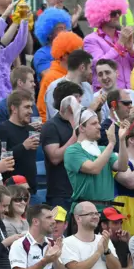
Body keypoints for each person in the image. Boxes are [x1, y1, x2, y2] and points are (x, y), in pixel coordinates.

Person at [64, 108, 129, 216]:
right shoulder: (72, 151)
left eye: (98, 123)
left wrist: (122, 140)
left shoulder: (103, 149)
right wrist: (111, 143)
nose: (99, 126)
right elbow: (94, 169)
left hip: (108, 211)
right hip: (85, 212)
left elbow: (122, 166)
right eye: (94, 123)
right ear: (82, 128)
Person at [82, 0, 134, 90]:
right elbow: (99, 64)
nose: (117, 16)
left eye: (119, 12)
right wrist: (120, 45)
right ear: (102, 15)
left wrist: (131, 51)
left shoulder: (122, 36)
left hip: (129, 93)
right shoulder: (91, 40)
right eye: (113, 13)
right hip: (106, 96)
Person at [40, 82, 82, 211]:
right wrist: (76, 135)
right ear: (65, 101)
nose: (80, 101)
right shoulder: (51, 126)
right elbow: (55, 157)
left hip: (82, 190)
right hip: (61, 194)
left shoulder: (82, 122)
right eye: (76, 98)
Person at [0, 90, 39, 190]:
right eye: (26, 107)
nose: (31, 111)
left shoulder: (31, 130)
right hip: (11, 191)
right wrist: (23, 146)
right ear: (14, 108)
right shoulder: (1, 130)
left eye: (31, 107)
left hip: (31, 188)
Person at [36, 31, 84, 121]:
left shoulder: (78, 76)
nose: (81, 58)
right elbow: (44, 111)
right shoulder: (51, 78)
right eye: (77, 54)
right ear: (65, 56)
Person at [44, 49, 95, 119]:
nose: (91, 72)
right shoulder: (55, 87)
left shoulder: (88, 86)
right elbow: (57, 118)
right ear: (82, 67)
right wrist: (90, 110)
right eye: (90, 68)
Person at [33, 8, 71, 80]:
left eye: (65, 28)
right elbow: (51, 78)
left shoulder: (70, 50)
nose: (65, 31)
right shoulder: (41, 54)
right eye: (60, 28)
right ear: (49, 33)